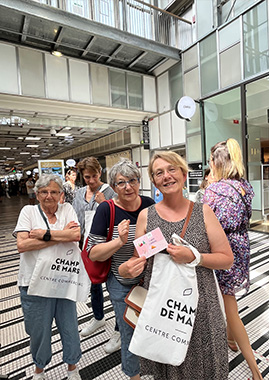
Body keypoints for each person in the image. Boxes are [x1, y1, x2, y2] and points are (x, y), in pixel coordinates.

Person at [119, 151, 233, 380]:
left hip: (201, 308)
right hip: (164, 310)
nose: (166, 176)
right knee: (169, 366)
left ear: (183, 173)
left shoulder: (203, 212)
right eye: (159, 173)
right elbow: (134, 260)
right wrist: (127, 269)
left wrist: (195, 257)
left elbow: (226, 258)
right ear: (153, 181)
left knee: (204, 367)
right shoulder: (145, 217)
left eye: (172, 169)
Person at [88, 159, 155, 380]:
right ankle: (133, 375)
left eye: (132, 181)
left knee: (152, 329)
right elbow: (92, 252)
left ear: (139, 181)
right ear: (113, 187)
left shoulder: (149, 204)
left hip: (149, 281)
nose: (128, 187)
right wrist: (119, 241)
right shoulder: (106, 210)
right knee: (129, 333)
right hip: (121, 283)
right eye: (121, 183)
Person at [203, 138, 263, 380]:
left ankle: (255, 371)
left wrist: (207, 188)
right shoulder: (243, 186)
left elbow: (204, 222)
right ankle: (230, 338)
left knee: (229, 307)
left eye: (210, 162)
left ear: (217, 163)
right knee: (230, 296)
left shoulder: (214, 191)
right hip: (241, 245)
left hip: (221, 248)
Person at [13, 174, 82, 380]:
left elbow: (76, 236)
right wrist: (61, 235)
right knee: (39, 332)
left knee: (69, 328)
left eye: (54, 192)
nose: (49, 196)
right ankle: (39, 370)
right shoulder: (28, 212)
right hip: (33, 283)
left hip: (63, 281)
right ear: (37, 194)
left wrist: (43, 234)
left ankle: (72, 368)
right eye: (44, 192)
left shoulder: (67, 209)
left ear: (61, 195)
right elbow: (22, 245)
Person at [72, 157, 119, 353]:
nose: (90, 180)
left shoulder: (110, 192)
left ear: (100, 173)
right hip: (86, 247)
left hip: (107, 246)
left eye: (93, 176)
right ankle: (98, 317)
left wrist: (106, 203)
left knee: (115, 286)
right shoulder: (80, 193)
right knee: (93, 283)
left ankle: (119, 329)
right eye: (86, 177)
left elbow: (118, 217)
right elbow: (75, 218)